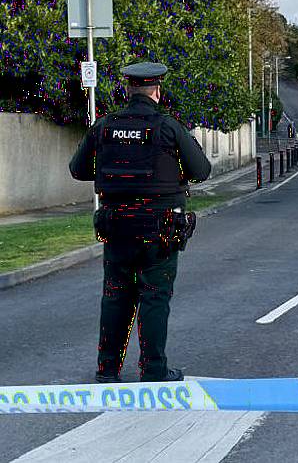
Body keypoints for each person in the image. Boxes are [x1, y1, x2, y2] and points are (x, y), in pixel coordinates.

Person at [69, 62, 211, 383]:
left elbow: (77, 169)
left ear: (128, 89)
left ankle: (107, 369)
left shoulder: (104, 126)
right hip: (159, 229)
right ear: (157, 90)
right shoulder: (168, 127)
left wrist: (113, 178)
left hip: (117, 225)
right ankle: (153, 369)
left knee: (115, 294)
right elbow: (201, 170)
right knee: (154, 296)